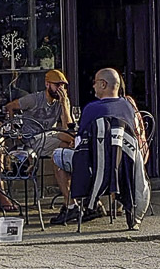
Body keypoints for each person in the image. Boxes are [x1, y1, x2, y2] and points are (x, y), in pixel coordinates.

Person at [52, 68, 148, 227]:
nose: (93, 86)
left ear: (103, 84)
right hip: (123, 168)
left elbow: (79, 142)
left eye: (95, 82)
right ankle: (95, 204)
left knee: (57, 157)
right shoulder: (128, 107)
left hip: (94, 168)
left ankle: (72, 205)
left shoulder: (92, 109)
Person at [9, 69, 78, 215]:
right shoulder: (34, 99)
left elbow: (68, 128)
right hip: (32, 139)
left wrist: (65, 106)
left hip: (48, 138)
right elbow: (10, 106)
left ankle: (69, 201)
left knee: (63, 150)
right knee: (70, 141)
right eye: (57, 85)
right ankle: (71, 200)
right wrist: (14, 128)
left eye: (63, 86)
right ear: (47, 84)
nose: (61, 89)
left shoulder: (62, 102)